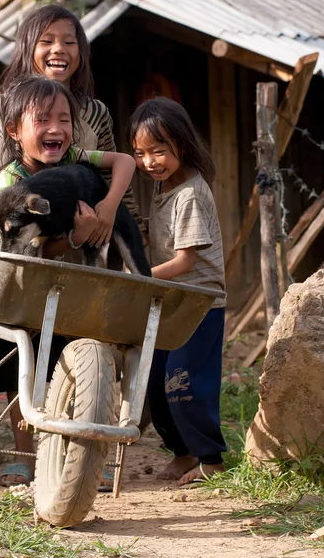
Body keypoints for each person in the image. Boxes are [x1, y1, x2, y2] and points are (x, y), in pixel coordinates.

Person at [0, 74, 137, 486]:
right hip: (22, 294)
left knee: (80, 366)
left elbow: (124, 161)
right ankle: (25, 451)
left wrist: (107, 207)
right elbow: (7, 247)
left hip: (70, 293)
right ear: (14, 131)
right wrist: (77, 238)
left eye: (63, 119)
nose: (55, 129)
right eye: (42, 120)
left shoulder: (77, 162)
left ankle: (84, 454)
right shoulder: (9, 183)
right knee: (25, 362)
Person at [0, 3, 144, 238]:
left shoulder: (95, 113)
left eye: (69, 42)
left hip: (77, 246)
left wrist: (131, 224)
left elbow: (110, 177)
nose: (58, 49)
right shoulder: (2, 108)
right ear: (27, 49)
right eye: (46, 41)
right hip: (16, 246)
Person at [129, 97, 227, 486]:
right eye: (139, 153)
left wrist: (140, 276)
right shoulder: (164, 186)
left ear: (181, 145)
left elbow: (185, 262)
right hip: (171, 301)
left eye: (158, 150)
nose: (149, 161)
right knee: (156, 385)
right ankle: (184, 453)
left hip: (199, 303)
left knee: (184, 382)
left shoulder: (189, 194)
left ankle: (211, 460)